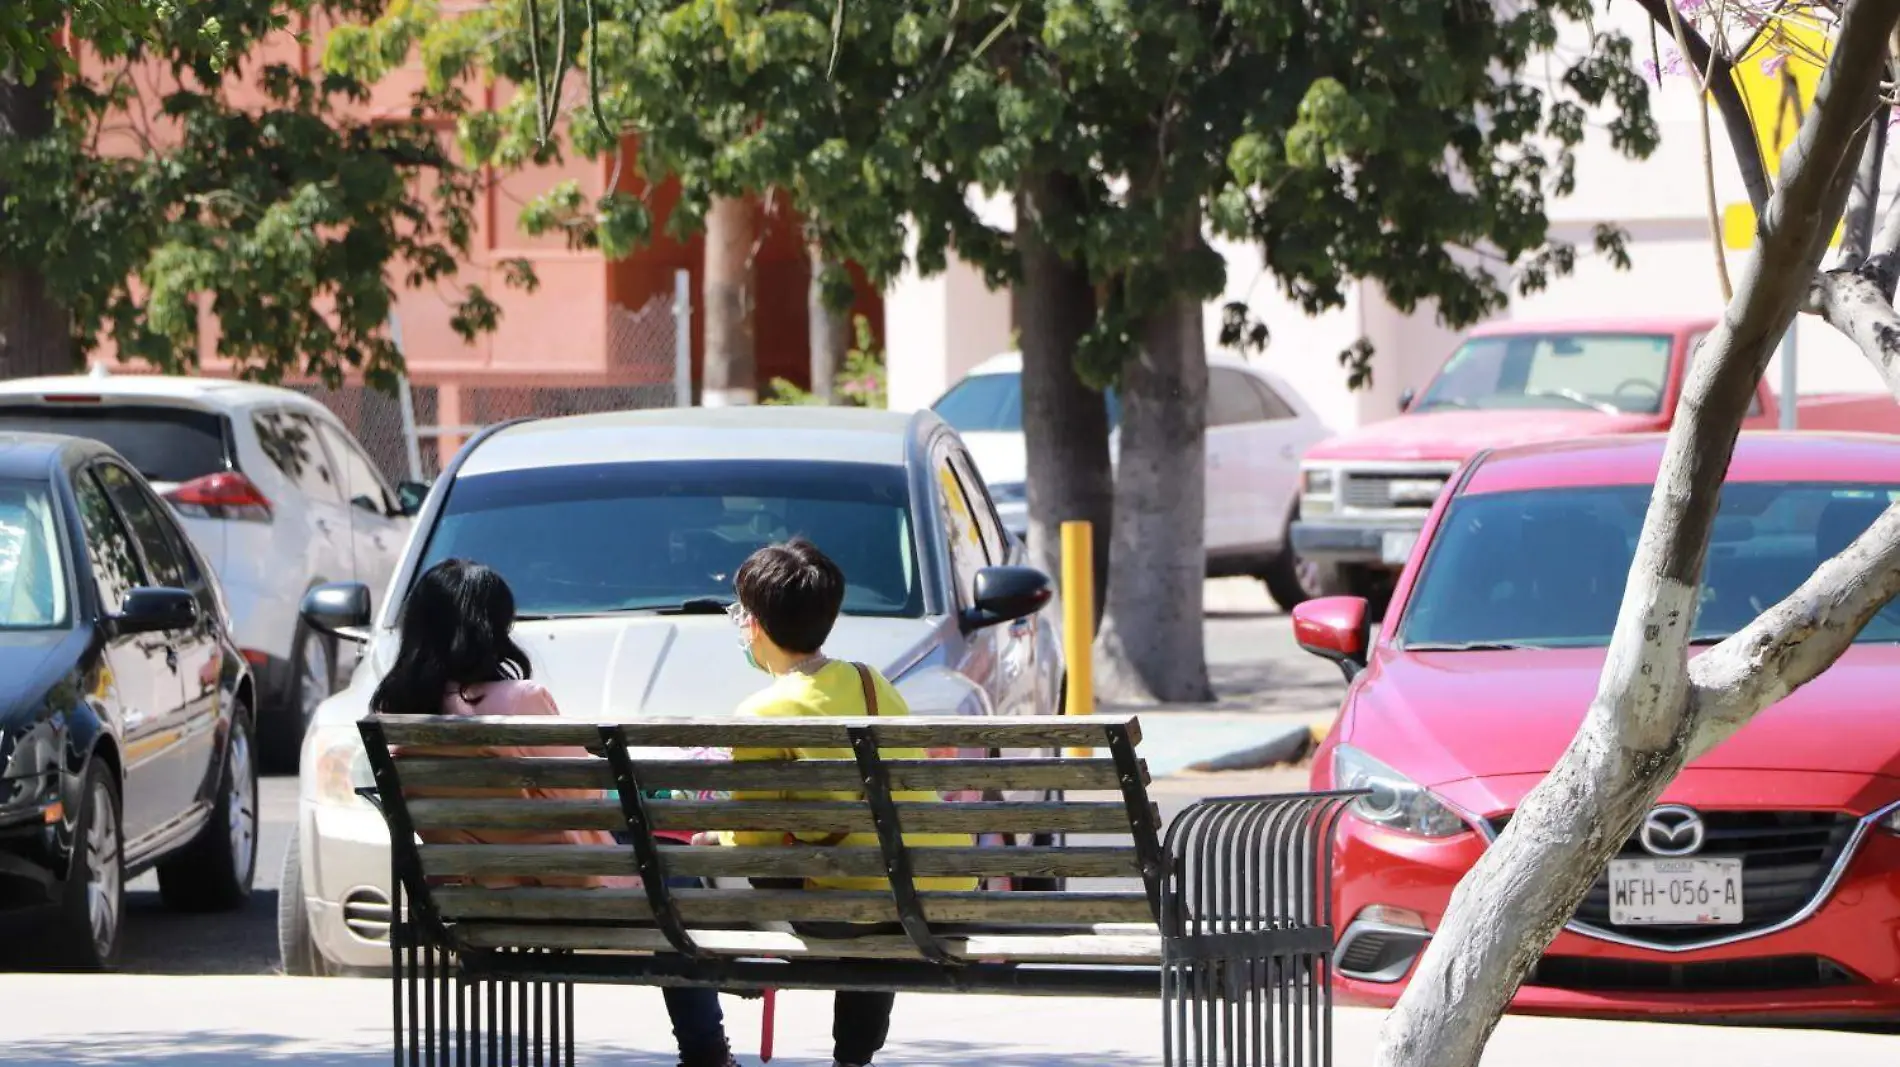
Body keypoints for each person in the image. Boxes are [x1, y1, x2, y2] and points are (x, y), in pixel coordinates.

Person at [372, 558, 738, 1067]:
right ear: (494, 628)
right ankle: (708, 1056)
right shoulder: (521, 699)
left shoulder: (394, 715)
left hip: (470, 894)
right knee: (677, 878)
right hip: (565, 888)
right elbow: (587, 797)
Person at [711, 538, 979, 1067]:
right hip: (937, 884)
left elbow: (751, 843)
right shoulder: (869, 680)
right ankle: (853, 1057)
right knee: (873, 868)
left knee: (829, 879)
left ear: (755, 625)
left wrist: (711, 835)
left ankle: (713, 1033)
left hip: (850, 906)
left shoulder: (761, 712)